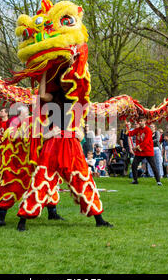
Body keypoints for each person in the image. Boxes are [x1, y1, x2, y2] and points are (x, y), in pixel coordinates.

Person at [16, 69, 111, 231]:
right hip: (53, 142)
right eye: (63, 80)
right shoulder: (54, 96)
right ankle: (22, 220)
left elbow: (82, 80)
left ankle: (99, 218)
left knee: (82, 179)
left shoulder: (78, 96)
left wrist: (74, 62)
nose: (66, 83)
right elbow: (42, 94)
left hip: (71, 144)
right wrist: (45, 71)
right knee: (41, 180)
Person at [127, 116, 162, 186]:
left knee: (153, 166)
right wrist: (127, 127)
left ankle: (158, 181)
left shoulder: (148, 130)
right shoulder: (138, 129)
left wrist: (137, 147)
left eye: (141, 121)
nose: (139, 122)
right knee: (134, 165)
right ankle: (135, 180)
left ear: (144, 121)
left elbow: (146, 142)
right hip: (140, 152)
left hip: (148, 151)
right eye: (139, 121)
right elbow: (130, 133)